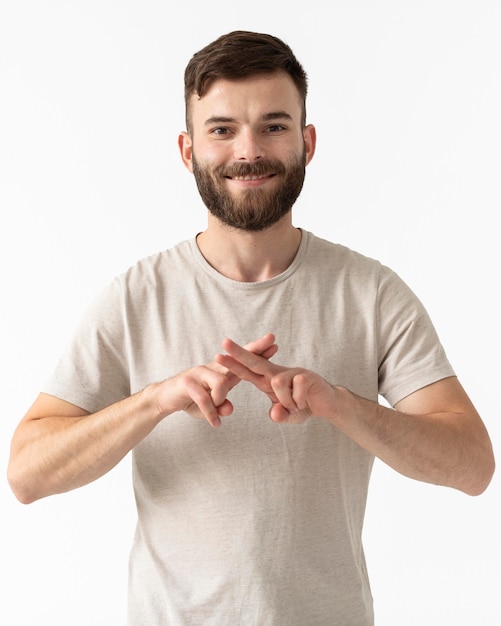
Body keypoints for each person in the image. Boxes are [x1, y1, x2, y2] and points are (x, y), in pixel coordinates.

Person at [8, 30, 495, 626]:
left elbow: (473, 465)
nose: (249, 150)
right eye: (222, 129)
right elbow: (27, 473)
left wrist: (340, 404)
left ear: (306, 142)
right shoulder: (136, 297)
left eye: (273, 125)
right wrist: (154, 401)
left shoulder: (371, 293)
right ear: (187, 150)